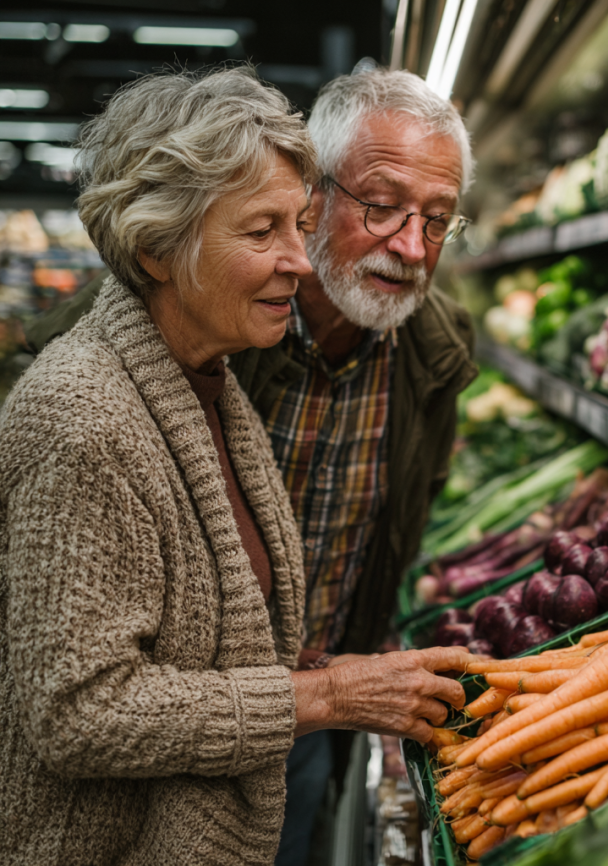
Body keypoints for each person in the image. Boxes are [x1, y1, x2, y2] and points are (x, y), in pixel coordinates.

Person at [0, 66, 471, 866]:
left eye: (437, 218)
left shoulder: (212, 381)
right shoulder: (85, 414)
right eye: (264, 230)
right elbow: (77, 712)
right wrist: (326, 695)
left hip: (262, 750)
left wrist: (326, 678)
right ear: (157, 249)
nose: (299, 259)